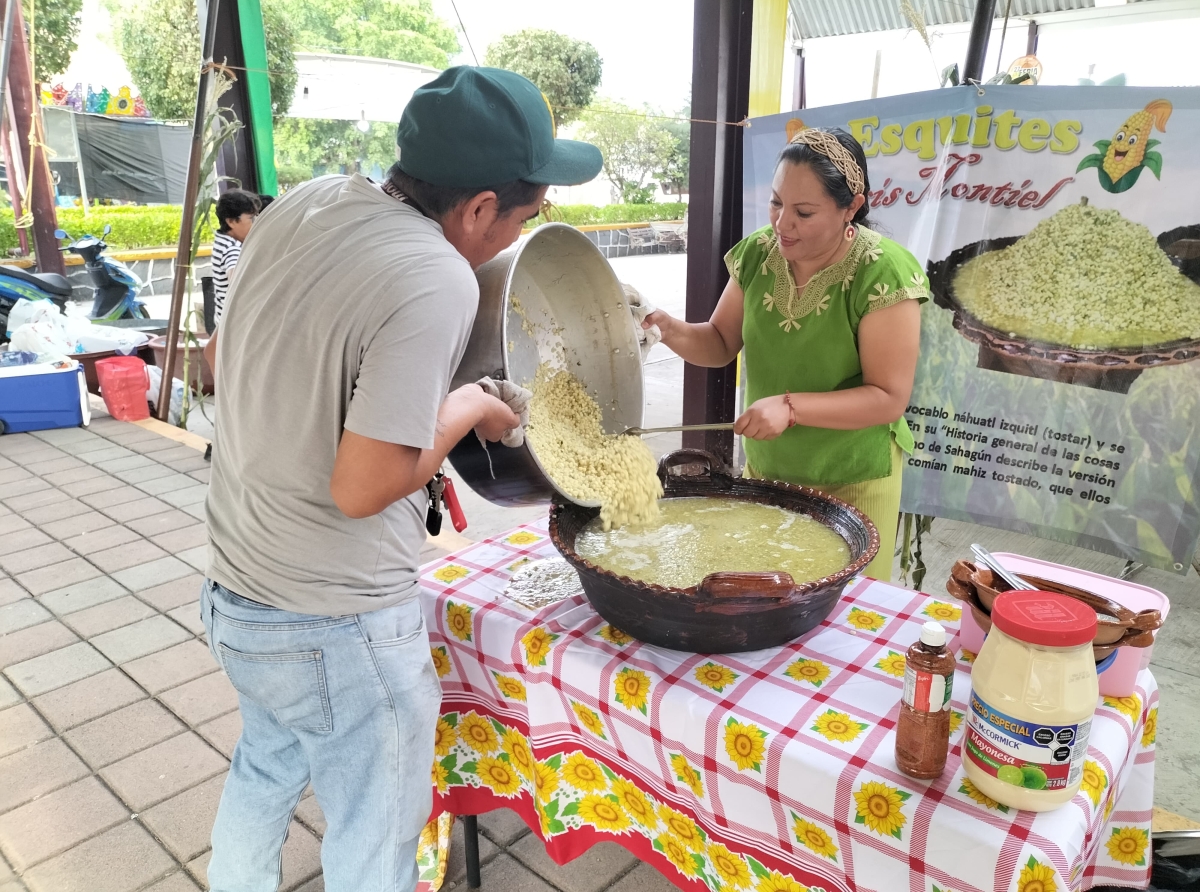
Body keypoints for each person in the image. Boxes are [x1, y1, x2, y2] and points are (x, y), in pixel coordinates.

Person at [199, 66, 602, 892]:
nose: (527, 228)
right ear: (482, 206)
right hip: (335, 623)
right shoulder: (435, 274)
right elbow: (362, 485)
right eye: (530, 215)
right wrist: (469, 404)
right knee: (375, 840)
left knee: (263, 775)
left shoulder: (312, 200)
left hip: (238, 589)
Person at [644, 127, 925, 581]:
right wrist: (668, 328)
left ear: (851, 206)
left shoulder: (882, 272)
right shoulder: (759, 254)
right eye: (776, 203)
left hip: (854, 477)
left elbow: (887, 397)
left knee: (846, 620)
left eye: (804, 212)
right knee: (768, 601)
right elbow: (718, 342)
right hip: (771, 473)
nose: (782, 224)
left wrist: (791, 408)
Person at [210, 189, 260, 329]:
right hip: (235, 325)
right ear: (231, 222)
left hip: (223, 320)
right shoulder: (233, 249)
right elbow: (237, 281)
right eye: (251, 218)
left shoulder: (222, 240)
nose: (256, 223)